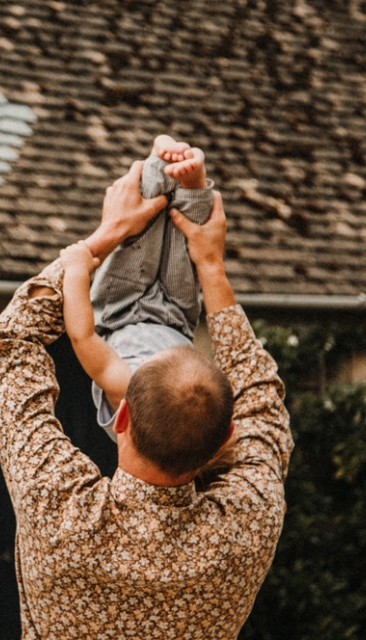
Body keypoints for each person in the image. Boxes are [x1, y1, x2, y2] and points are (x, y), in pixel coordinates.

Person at [0, 159, 292, 639]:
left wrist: (113, 240)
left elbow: (7, 349)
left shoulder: (59, 509)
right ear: (225, 434)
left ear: (120, 414)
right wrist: (92, 247)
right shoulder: (248, 523)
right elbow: (261, 397)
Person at [61, 135, 216, 444]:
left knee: (143, 237)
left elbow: (86, 337)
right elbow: (80, 336)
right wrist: (76, 268)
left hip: (121, 310)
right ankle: (190, 185)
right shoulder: (137, 400)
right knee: (181, 240)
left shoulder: (132, 396)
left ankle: (162, 167)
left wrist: (76, 273)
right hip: (176, 320)